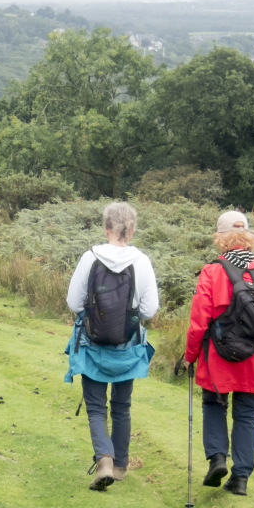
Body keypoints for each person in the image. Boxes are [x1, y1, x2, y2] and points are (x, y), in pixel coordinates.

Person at [183, 210, 254, 497]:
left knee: (214, 405)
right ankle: (240, 478)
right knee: (248, 416)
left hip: (217, 359)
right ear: (250, 238)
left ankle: (217, 458)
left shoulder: (212, 272)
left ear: (221, 238)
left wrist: (190, 355)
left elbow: (198, 322)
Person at [64, 202, 159, 491]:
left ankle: (103, 460)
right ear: (131, 230)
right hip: (127, 347)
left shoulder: (89, 258)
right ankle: (119, 466)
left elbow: (73, 302)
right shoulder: (141, 261)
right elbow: (150, 308)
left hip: (92, 344)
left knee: (95, 407)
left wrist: (95, 316)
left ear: (106, 228)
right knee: (122, 406)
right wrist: (128, 318)